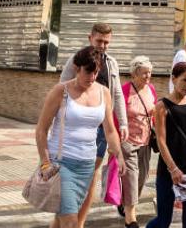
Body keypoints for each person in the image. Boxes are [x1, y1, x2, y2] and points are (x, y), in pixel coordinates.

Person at [36, 47, 124, 228]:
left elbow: (109, 130)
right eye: (88, 71)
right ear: (77, 69)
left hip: (86, 166)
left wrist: (119, 155)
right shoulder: (60, 91)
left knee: (61, 220)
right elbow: (41, 130)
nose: (92, 77)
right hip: (61, 164)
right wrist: (45, 162)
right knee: (71, 222)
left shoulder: (103, 92)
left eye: (96, 72)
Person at [59, 23, 128, 228]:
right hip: (75, 126)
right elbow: (61, 89)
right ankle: (67, 219)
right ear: (90, 38)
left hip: (100, 127)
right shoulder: (76, 60)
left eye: (107, 42)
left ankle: (79, 222)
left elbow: (117, 94)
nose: (103, 45)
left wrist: (122, 122)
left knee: (91, 174)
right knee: (74, 177)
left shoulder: (112, 63)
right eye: (99, 41)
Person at [147, 62, 186, 228]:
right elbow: (161, 141)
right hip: (169, 171)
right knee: (163, 220)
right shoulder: (162, 106)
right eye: (184, 80)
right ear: (173, 79)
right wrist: (173, 168)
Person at [119, 56, 157, 228]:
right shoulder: (124, 90)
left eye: (150, 72)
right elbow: (116, 116)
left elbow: (154, 114)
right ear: (134, 74)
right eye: (144, 73)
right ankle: (130, 218)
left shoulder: (151, 90)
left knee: (142, 177)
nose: (148, 76)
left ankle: (124, 202)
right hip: (127, 140)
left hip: (146, 141)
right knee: (132, 177)